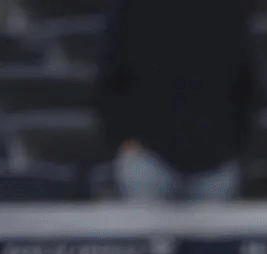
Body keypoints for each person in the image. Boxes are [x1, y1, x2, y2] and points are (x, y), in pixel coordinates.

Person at [93, 0, 257, 201]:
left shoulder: (228, 9)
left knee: (213, 231)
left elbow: (247, 81)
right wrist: (121, 138)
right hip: (147, 157)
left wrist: (234, 145)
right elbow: (109, 78)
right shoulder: (130, 8)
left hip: (215, 159)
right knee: (147, 231)